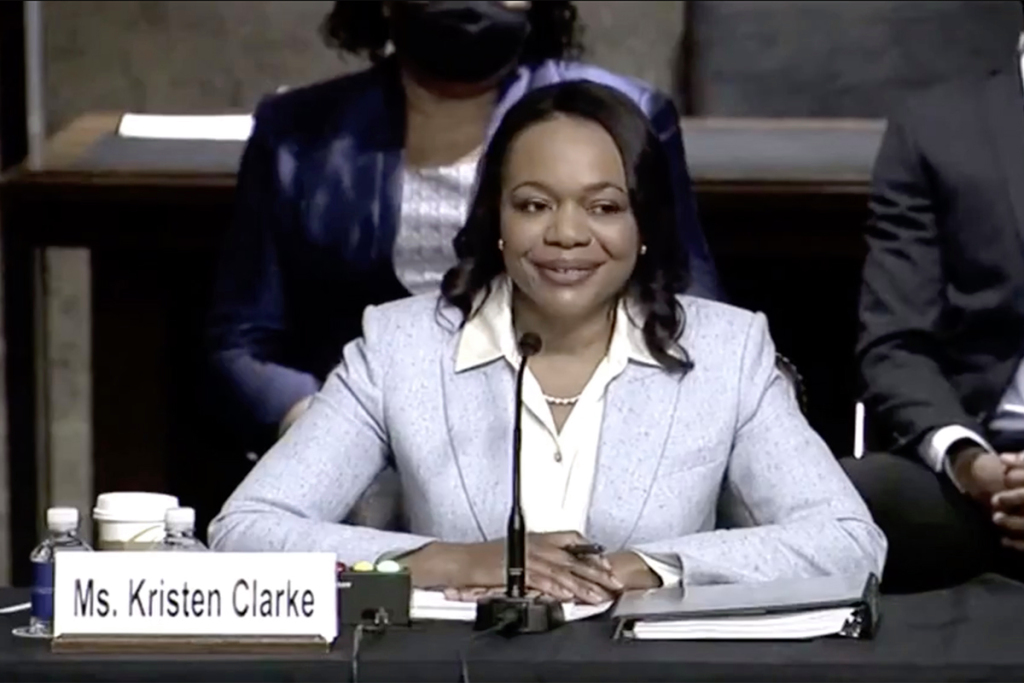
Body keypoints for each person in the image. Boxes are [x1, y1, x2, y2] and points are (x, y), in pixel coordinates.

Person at [209, 81, 884, 601]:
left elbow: (849, 543)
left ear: (642, 224)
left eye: (603, 206)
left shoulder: (728, 353)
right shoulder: (399, 348)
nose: (566, 234)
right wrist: (456, 558)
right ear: (496, 219)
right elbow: (246, 530)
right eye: (534, 204)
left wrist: (644, 567)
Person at [205, 1, 721, 458]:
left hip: (576, 429)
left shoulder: (627, 114)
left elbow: (688, 309)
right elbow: (242, 338)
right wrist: (320, 428)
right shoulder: (297, 130)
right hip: (357, 438)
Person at [842, 34, 1024, 593]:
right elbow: (895, 343)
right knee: (845, 497)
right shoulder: (936, 127)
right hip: (983, 477)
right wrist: (973, 465)